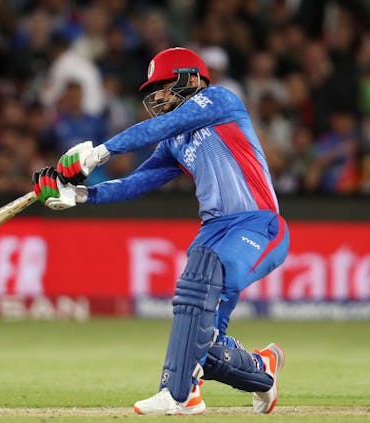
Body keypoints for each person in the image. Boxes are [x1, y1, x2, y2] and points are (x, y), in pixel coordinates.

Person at [32, 47, 290, 415]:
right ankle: (262, 369)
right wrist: (79, 195)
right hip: (214, 232)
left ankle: (177, 392)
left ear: (192, 79)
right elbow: (137, 182)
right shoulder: (176, 142)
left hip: (258, 224)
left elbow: (160, 125)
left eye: (166, 86)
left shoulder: (220, 100)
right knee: (205, 346)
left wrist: (98, 153)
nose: (158, 96)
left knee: (201, 270)